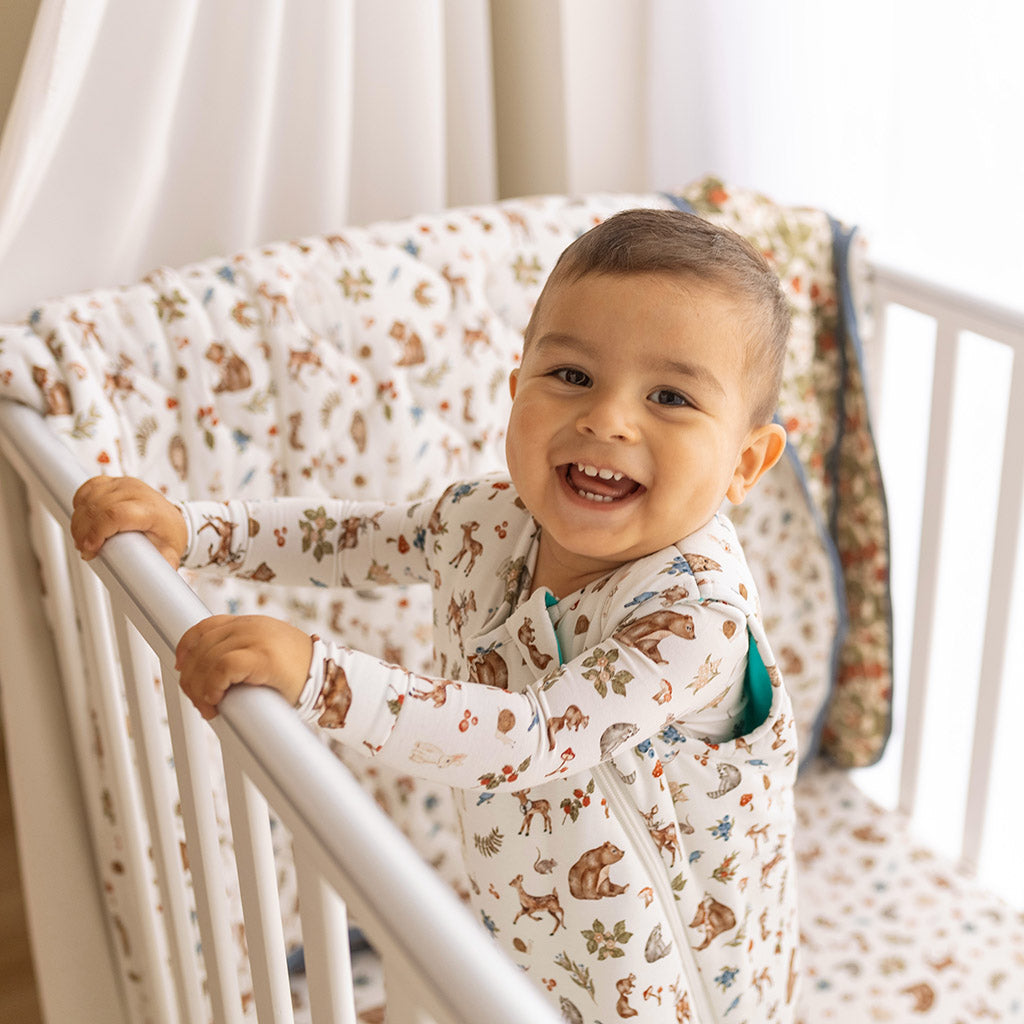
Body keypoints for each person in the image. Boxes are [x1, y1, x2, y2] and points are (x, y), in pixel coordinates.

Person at [72, 208, 800, 1022]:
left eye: (669, 396)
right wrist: (194, 530)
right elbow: (348, 539)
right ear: (516, 388)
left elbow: (531, 737)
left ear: (744, 463)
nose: (607, 418)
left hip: (673, 990)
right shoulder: (488, 518)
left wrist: (321, 678)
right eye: (572, 375)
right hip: (532, 933)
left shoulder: (697, 623)